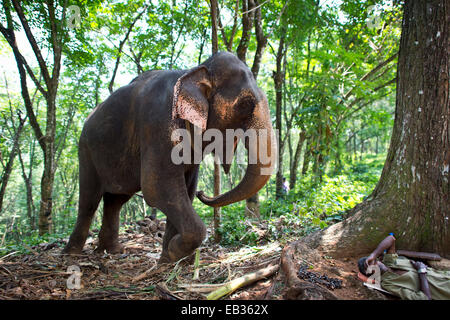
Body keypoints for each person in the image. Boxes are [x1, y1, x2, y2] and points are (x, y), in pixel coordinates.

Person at [358, 234, 450, 300]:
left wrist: (373, 254)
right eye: (371, 268)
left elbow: (391, 239)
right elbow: (424, 298)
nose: (375, 265)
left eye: (373, 262)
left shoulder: (390, 261)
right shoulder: (388, 283)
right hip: (444, 289)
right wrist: (421, 271)